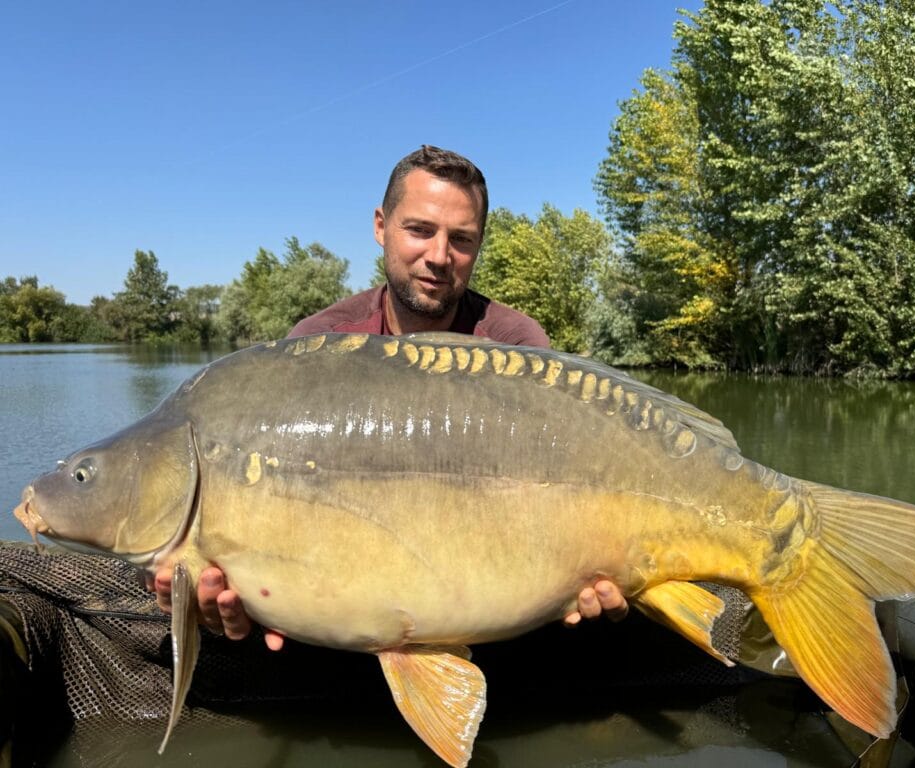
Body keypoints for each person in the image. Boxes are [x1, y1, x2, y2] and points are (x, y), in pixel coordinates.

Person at [152, 145, 627, 650]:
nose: (439, 257)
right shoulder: (317, 346)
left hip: (489, 600)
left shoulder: (515, 344)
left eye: (461, 240)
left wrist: (589, 566)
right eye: (420, 230)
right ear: (382, 226)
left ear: (480, 245)